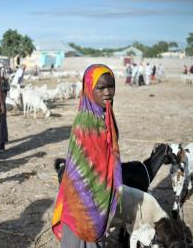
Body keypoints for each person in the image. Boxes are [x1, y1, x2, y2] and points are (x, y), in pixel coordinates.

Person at [52, 64, 122, 248]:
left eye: (111, 86)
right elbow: (80, 170)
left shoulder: (106, 115)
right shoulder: (85, 123)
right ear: (89, 90)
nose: (107, 92)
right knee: (80, 240)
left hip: (99, 194)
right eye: (101, 88)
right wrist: (91, 200)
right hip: (81, 199)